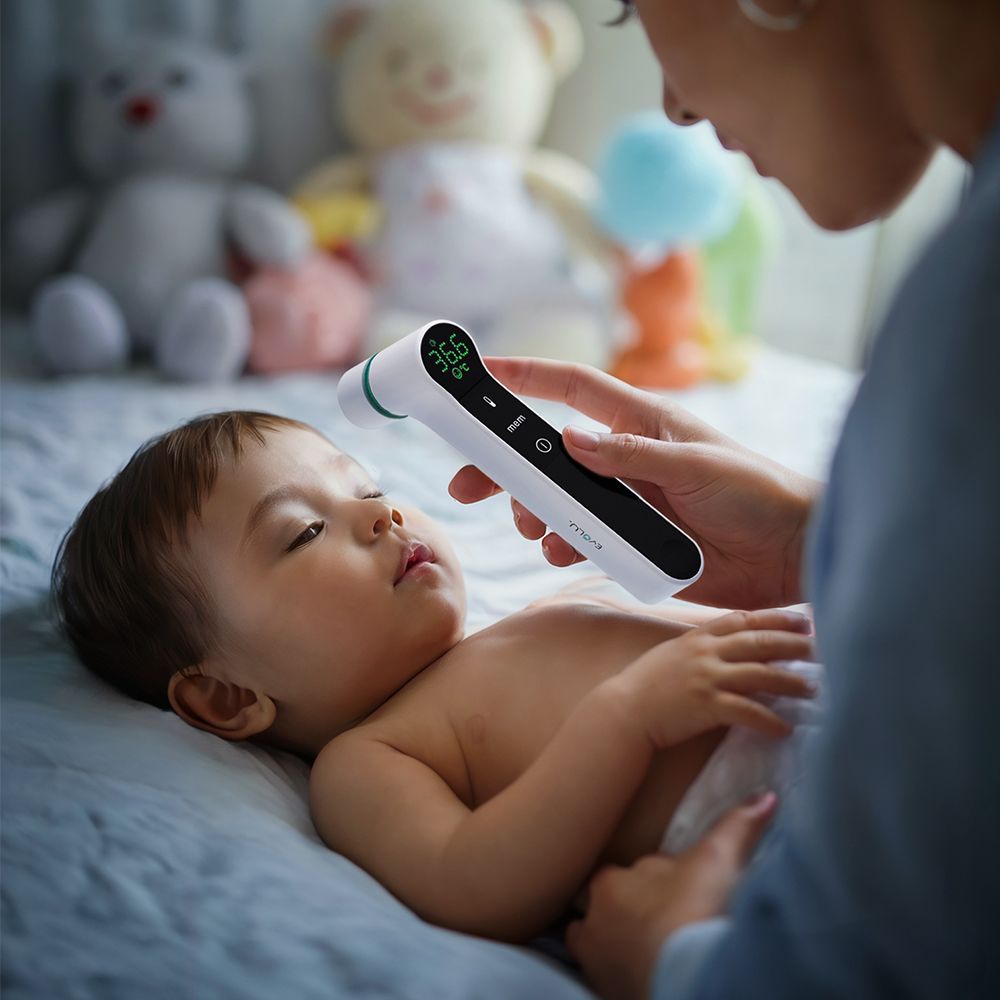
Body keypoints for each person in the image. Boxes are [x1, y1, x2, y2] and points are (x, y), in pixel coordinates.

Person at [448, 0, 1000, 996]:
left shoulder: (974, 320)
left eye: (627, 8)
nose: (672, 104)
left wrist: (679, 961)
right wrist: (815, 543)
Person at [52, 409, 819, 943]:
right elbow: (477, 885)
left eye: (367, 487)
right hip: (789, 814)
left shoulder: (533, 616)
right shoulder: (370, 760)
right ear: (226, 697)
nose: (382, 516)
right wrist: (626, 717)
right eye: (304, 532)